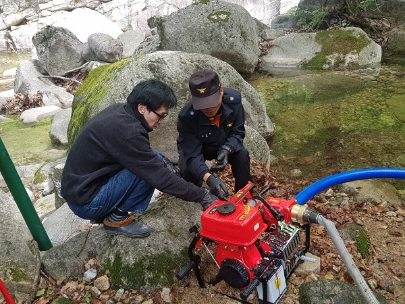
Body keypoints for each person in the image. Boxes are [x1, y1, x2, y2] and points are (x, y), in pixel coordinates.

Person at [61, 79, 218, 238]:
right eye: (161, 116)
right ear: (142, 108)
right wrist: (202, 195)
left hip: (79, 190)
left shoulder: (120, 111)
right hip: (86, 202)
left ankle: (108, 212)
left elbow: (143, 156)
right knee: (147, 172)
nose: (161, 122)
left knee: (154, 158)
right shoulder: (129, 132)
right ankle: (117, 219)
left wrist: (174, 174)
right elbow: (157, 176)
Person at [177, 70, 252, 200]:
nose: (208, 109)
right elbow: (193, 154)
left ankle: (244, 194)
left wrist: (227, 148)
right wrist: (209, 178)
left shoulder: (234, 103)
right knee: (188, 169)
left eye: (211, 103)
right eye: (202, 105)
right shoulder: (187, 117)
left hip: (224, 143)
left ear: (221, 91)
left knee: (242, 154)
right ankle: (198, 195)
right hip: (200, 147)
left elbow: (238, 132)